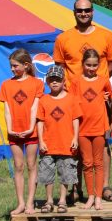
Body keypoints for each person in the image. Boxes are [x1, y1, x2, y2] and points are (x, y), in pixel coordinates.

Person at [54, 0, 112, 203]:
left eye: (87, 10)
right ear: (74, 12)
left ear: (93, 11)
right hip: (73, 100)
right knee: (76, 143)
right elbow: (60, 67)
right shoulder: (63, 38)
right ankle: (77, 188)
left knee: (103, 143)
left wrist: (98, 84)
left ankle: (104, 187)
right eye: (79, 10)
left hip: (99, 101)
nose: (83, 13)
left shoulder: (106, 36)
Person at [0, 49, 44, 216]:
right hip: (14, 132)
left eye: (15, 66)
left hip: (31, 132)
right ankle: (21, 203)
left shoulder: (37, 83)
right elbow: (7, 110)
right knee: (18, 166)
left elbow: (34, 108)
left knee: (32, 165)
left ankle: (30, 202)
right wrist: (10, 129)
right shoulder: (6, 85)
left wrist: (31, 128)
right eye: (11, 66)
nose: (12, 69)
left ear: (26, 65)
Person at [36, 65, 83, 213]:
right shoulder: (44, 100)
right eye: (51, 80)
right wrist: (41, 141)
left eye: (57, 79)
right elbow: (40, 121)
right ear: (47, 82)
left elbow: (75, 119)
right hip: (48, 145)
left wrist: (75, 138)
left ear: (63, 81)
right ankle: (49, 200)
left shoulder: (71, 99)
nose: (54, 82)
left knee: (66, 173)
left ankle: (62, 200)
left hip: (66, 144)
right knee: (47, 174)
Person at [70, 49, 112, 210]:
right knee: (87, 164)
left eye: (94, 65)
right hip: (82, 129)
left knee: (98, 163)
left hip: (99, 127)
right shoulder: (76, 82)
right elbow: (71, 105)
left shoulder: (103, 81)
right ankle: (90, 197)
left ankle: (99, 197)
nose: (91, 68)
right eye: (88, 65)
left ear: (99, 65)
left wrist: (107, 100)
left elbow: (111, 101)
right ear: (82, 64)